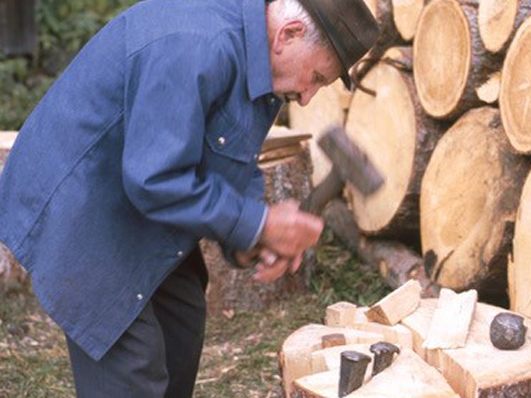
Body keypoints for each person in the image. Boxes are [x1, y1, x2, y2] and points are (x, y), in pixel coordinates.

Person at [0, 0, 379, 396]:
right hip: (77, 198)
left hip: (135, 188)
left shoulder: (263, 67)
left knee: (181, 324)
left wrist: (252, 237)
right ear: (289, 34)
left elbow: (233, 155)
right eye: (316, 77)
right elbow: (155, 181)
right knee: (134, 368)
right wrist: (259, 223)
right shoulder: (195, 44)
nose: (307, 98)